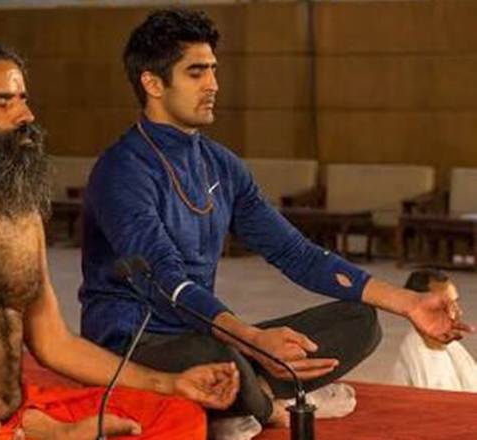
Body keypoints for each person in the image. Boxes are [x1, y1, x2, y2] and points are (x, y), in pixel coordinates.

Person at [79, 7, 474, 435]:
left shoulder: (220, 164)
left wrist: (408, 303)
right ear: (153, 83)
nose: (213, 84)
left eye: (213, 69)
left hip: (209, 335)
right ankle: (260, 401)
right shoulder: (122, 171)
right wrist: (250, 339)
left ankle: (248, 395)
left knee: (359, 321)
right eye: (196, 72)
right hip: (136, 345)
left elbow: (295, 252)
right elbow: (165, 280)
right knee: (222, 357)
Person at [0, 42, 239, 440]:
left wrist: (169, 383)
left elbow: (53, 342)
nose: (25, 115)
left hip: (19, 410)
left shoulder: (20, 209)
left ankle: (39, 431)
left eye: (23, 100)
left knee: (179, 414)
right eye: (2, 102)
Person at [391, 269, 477, 391]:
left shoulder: (451, 346)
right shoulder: (417, 355)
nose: (459, 312)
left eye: (455, 302)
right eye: (445, 305)